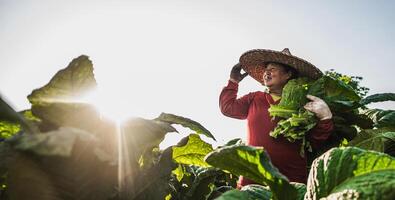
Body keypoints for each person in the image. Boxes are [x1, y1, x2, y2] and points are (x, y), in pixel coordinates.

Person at [219, 48, 334, 188]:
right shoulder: (254, 98)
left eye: (273, 69)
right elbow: (227, 108)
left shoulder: (304, 103)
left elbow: (314, 141)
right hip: (252, 178)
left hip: (291, 181)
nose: (267, 72)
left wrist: (325, 117)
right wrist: (233, 81)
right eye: (266, 69)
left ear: (288, 74)